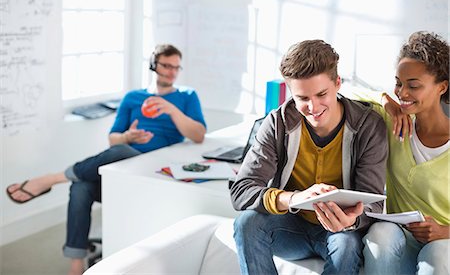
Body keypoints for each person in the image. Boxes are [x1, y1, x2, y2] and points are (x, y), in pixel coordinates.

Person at [6, 44, 207, 275]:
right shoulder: (133, 97)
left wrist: (172, 110)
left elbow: (199, 135)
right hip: (123, 172)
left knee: (120, 152)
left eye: (176, 67)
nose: (172, 72)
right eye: (166, 66)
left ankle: (51, 179)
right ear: (153, 65)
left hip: (155, 171)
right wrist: (127, 136)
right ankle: (76, 265)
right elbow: (114, 139)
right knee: (83, 184)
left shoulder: (187, 96)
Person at [230, 39, 388, 275]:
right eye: (302, 98)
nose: (313, 107)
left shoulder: (368, 126)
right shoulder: (277, 123)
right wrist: (293, 199)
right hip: (289, 230)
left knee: (345, 243)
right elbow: (241, 190)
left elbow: (373, 201)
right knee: (247, 224)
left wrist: (352, 221)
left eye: (321, 94)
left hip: (339, 232)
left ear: (337, 83)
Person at [362, 31, 449, 274]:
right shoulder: (393, 121)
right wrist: (384, 100)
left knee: (440, 253)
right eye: (399, 83)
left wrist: (444, 231)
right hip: (402, 237)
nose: (402, 93)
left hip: (444, 244)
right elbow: (340, 90)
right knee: (380, 233)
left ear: (442, 87)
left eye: (413, 85)